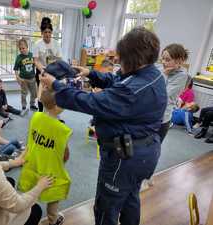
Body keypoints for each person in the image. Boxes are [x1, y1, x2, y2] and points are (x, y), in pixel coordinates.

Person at [40, 27, 167, 225]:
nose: (118, 61)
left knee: (106, 206)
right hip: (144, 152)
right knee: (130, 198)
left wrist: (56, 85)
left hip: (126, 156)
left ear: (133, 58)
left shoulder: (134, 89)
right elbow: (118, 80)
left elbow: (92, 102)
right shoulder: (151, 73)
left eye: (121, 58)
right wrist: (91, 73)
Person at [18, 89, 72, 225]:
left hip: (34, 162)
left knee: (31, 190)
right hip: (50, 167)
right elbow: (65, 154)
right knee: (54, 193)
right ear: (57, 106)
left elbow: (31, 138)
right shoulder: (62, 129)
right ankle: (53, 219)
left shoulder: (36, 116)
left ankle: (25, 217)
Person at [158, 43, 189, 142]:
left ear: (179, 61)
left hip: (162, 118)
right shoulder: (160, 69)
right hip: (148, 115)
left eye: (167, 60)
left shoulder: (182, 76)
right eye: (162, 58)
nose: (163, 62)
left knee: (153, 150)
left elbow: (162, 95)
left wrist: (164, 74)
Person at [33, 17, 62, 112]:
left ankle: (53, 113)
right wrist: (42, 70)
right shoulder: (37, 44)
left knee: (53, 93)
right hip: (41, 71)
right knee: (41, 93)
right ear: (41, 33)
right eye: (45, 32)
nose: (47, 34)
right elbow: (36, 60)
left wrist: (56, 68)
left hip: (53, 72)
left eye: (49, 32)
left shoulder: (56, 44)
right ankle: (41, 112)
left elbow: (59, 58)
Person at [14, 38, 38, 111]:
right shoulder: (19, 57)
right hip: (23, 79)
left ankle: (32, 104)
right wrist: (17, 77)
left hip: (32, 78)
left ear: (27, 47)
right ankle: (24, 105)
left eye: (23, 48)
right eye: (20, 49)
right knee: (24, 93)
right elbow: (16, 69)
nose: (22, 50)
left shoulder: (32, 55)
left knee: (34, 93)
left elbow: (37, 64)